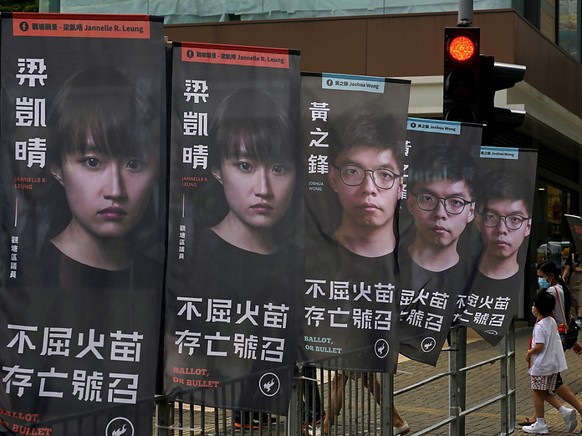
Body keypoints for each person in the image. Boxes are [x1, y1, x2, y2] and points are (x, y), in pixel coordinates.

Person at [9, 67, 164, 431]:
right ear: (57, 167)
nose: (115, 188)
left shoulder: (162, 281)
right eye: (92, 161)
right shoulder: (22, 277)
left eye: (134, 163)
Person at [165, 88, 302, 428]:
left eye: (279, 168)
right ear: (216, 169)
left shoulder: (300, 261)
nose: (263, 187)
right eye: (244, 165)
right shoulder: (188, 256)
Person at [313, 107, 408, 435]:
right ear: (333, 176)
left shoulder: (397, 254)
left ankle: (391, 422)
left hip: (359, 334)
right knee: (359, 380)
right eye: (354, 171)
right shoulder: (317, 248)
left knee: (353, 380)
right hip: (358, 333)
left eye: (384, 174)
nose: (370, 189)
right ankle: (393, 422)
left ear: (399, 184)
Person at [398, 142, 476, 363]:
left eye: (455, 202)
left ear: (471, 211)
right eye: (428, 198)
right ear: (411, 202)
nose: (440, 213)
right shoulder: (386, 269)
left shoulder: (474, 277)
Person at [460, 169, 532, 343]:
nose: (502, 229)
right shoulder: (458, 276)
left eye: (515, 219)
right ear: (477, 220)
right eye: (491, 217)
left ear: (528, 226)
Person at [523, 290, 569, 434]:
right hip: (552, 365)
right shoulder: (551, 321)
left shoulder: (539, 326)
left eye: (534, 305)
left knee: (536, 393)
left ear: (537, 309)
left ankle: (541, 422)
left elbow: (539, 346)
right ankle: (564, 411)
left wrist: (529, 352)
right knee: (544, 392)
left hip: (541, 366)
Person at [562, 248, 582, 327]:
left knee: (580, 299)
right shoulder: (573, 255)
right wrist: (563, 276)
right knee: (575, 300)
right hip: (574, 280)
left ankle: (580, 318)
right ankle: (578, 318)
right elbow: (567, 266)